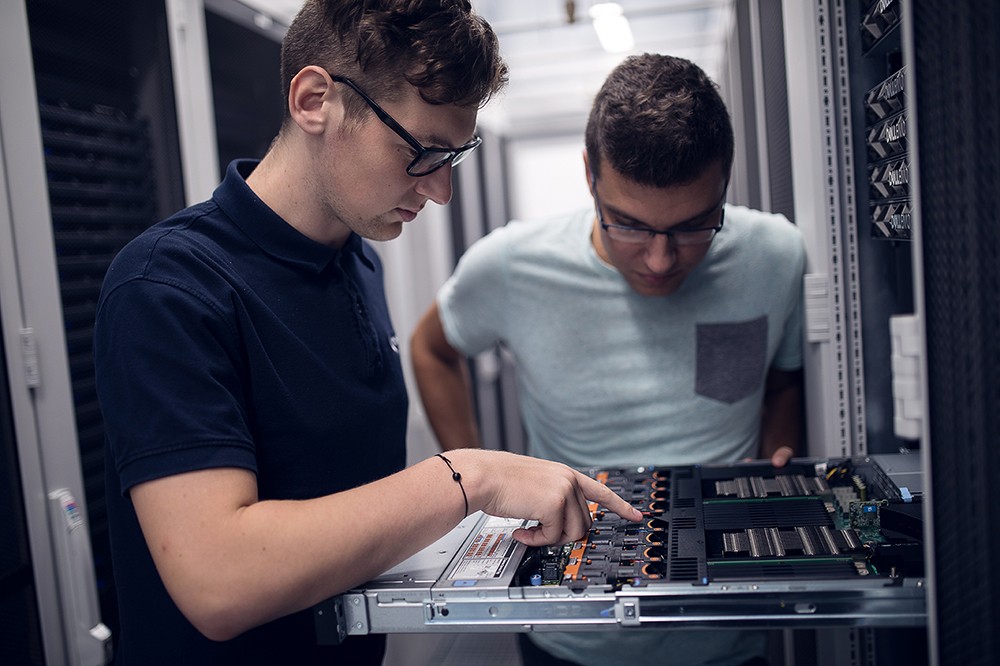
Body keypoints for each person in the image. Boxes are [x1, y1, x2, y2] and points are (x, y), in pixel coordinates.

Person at [92, 2, 642, 664]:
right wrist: (468, 476)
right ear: (315, 99)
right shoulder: (168, 287)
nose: (439, 191)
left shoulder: (356, 261)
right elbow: (218, 583)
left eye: (454, 157)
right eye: (420, 152)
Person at [410, 53, 806, 666]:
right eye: (629, 226)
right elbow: (431, 346)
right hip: (570, 633)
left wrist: (776, 456)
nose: (659, 260)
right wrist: (473, 484)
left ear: (724, 181)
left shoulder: (776, 257)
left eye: (694, 227)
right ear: (590, 174)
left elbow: (783, 379)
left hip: (728, 633)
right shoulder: (513, 265)